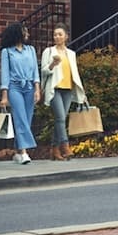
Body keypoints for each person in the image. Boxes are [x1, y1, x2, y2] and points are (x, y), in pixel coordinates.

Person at [40, 23, 88, 161]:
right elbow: (43, 71)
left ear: (66, 36)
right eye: (55, 34)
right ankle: (65, 146)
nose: (57, 37)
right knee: (61, 118)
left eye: (60, 34)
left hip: (68, 89)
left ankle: (54, 151)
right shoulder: (48, 52)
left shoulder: (71, 54)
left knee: (60, 120)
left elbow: (75, 74)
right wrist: (52, 64)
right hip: (54, 89)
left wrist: (81, 93)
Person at [0, 23, 40, 164]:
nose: (27, 35)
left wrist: (37, 89)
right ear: (18, 34)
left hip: (29, 87)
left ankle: (17, 151)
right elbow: (5, 74)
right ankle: (24, 152)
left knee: (27, 119)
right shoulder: (7, 52)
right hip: (14, 87)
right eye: (25, 32)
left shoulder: (31, 50)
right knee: (20, 118)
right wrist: (4, 95)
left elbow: (35, 71)